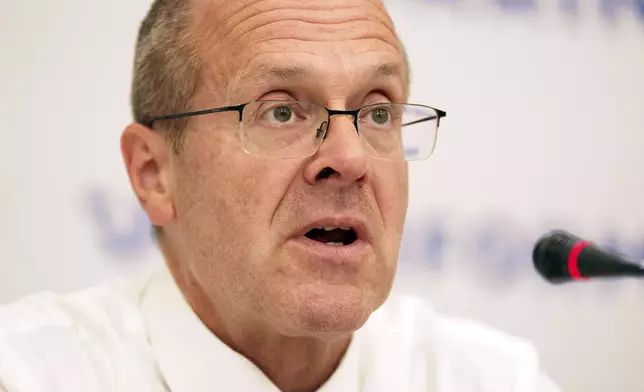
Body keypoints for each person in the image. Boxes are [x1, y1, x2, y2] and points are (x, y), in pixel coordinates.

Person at [0, 0, 561, 391]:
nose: (350, 158)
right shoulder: (31, 375)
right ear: (154, 174)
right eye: (282, 110)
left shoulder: (493, 380)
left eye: (377, 111)